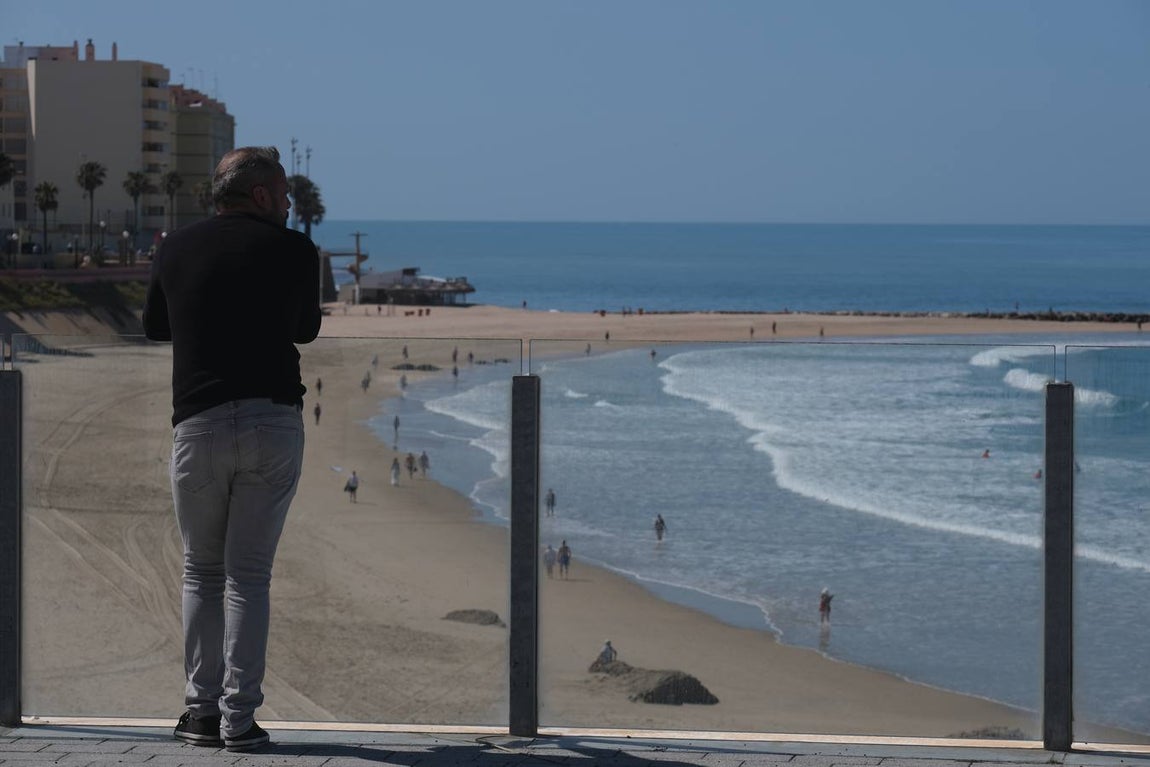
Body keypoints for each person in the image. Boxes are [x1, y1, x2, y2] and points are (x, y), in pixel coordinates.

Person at [143, 146, 321, 752]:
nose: (292, 205)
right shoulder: (295, 251)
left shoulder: (174, 248)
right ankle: (239, 721)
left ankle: (199, 712)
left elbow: (155, 327)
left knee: (202, 570)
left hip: (199, 423)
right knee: (249, 575)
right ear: (264, 196)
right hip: (272, 422)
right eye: (287, 195)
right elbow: (305, 329)